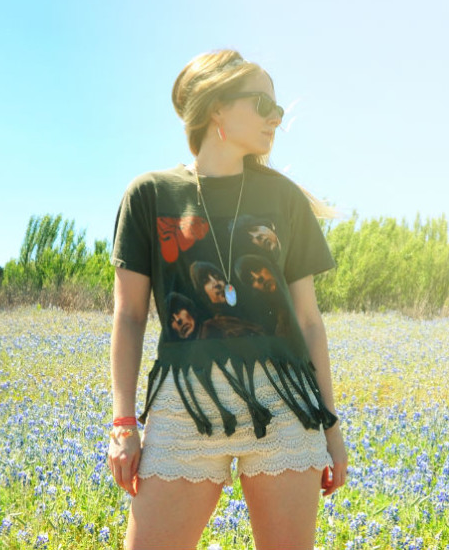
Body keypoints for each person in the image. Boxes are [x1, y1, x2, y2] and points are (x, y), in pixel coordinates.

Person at [107, 49, 347, 549]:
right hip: (185, 398)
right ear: (216, 107)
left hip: (285, 404)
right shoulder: (150, 194)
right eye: (262, 104)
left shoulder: (282, 197)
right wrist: (124, 422)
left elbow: (309, 321)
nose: (276, 118)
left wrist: (331, 426)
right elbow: (129, 317)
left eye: (277, 107)